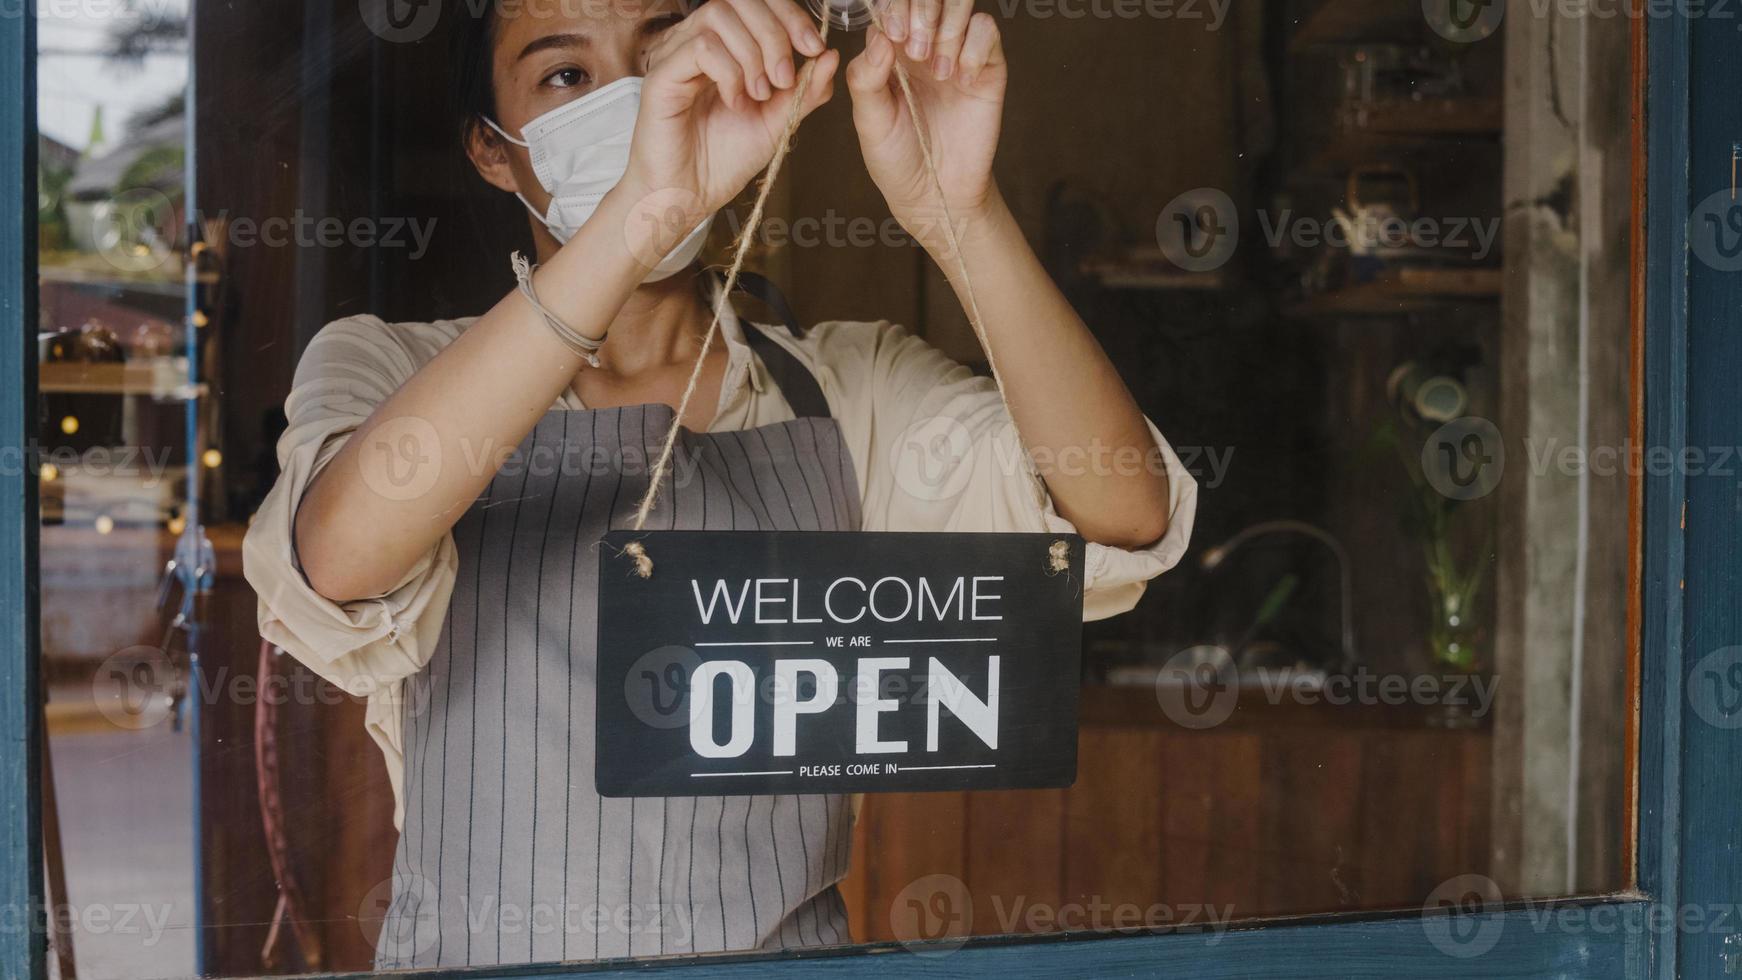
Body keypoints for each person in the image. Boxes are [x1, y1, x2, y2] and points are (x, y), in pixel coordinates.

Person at [243, 0, 1198, 968]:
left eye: (662, 53)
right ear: (494, 151)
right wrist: (637, 216)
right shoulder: (389, 369)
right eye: (566, 76)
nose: (638, 98)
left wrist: (962, 215)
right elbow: (334, 556)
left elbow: (1119, 509)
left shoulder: (843, 390)